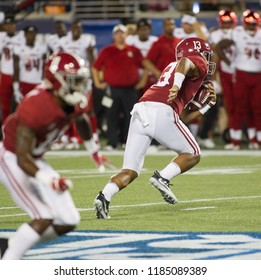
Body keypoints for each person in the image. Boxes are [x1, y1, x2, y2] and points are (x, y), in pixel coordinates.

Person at [93, 37, 217, 219]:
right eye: (205, 55)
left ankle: (104, 196)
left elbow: (184, 118)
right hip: (161, 110)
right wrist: (176, 85)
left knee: (130, 170)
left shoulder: (172, 68)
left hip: (142, 110)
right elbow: (186, 61)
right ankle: (163, 178)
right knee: (193, 153)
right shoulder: (192, 63)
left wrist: (207, 106)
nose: (207, 60)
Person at [0, 52, 100, 259]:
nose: (78, 85)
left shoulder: (72, 99)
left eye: (79, 79)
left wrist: (93, 150)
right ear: (56, 80)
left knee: (68, 219)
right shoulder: (36, 106)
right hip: (10, 157)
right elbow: (22, 157)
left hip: (33, 158)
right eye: (72, 80)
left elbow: (81, 119)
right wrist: (50, 180)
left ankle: (13, 245)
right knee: (43, 215)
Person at [92, 24, 147, 150]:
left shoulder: (133, 50)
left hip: (130, 89)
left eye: (122, 32)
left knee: (131, 117)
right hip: (112, 89)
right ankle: (112, 142)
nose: (120, 35)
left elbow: (144, 66)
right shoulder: (107, 50)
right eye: (117, 33)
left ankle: (128, 142)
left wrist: (142, 81)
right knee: (111, 115)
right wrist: (97, 83)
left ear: (126, 35)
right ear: (113, 35)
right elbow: (96, 68)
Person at [216, 9, 261, 149]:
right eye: (249, 24)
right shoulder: (237, 33)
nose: (252, 27)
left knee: (257, 108)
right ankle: (235, 140)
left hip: (258, 74)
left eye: (254, 24)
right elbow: (219, 47)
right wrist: (230, 63)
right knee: (239, 107)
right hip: (241, 73)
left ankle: (256, 139)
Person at [13, 25, 47, 103]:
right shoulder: (18, 49)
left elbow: (44, 67)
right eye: (29, 33)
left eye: (33, 33)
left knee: (38, 108)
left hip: (38, 83)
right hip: (24, 82)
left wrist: (44, 82)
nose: (31, 36)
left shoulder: (42, 47)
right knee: (25, 109)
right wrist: (16, 89)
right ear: (25, 35)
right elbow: (16, 69)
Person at [0, 17, 24, 125]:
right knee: (5, 106)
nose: (9, 27)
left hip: (21, 75)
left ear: (15, 25)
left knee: (22, 104)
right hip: (5, 74)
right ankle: (5, 129)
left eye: (11, 24)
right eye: (6, 25)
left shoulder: (22, 36)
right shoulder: (1, 37)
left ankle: (22, 127)